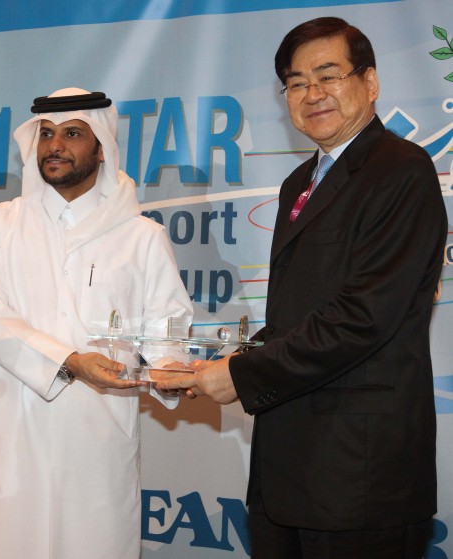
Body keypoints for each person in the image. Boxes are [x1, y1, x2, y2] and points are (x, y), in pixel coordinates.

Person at [157, 17, 447, 559]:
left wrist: (240, 375)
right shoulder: (301, 182)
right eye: (295, 83)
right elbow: (299, 317)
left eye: (328, 75)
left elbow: (362, 318)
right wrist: (216, 366)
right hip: (287, 469)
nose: (311, 94)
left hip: (358, 477)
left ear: (371, 82)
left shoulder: (401, 170)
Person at [0, 87, 193, 559]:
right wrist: (72, 362)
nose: (54, 145)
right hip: (8, 440)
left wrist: (173, 370)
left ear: (101, 147)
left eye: (72, 133)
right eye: (45, 134)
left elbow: (168, 329)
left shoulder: (142, 238)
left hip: (96, 442)